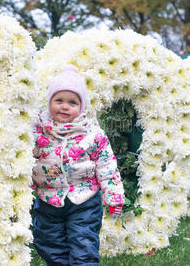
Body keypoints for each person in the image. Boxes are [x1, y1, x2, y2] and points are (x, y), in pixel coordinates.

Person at [32, 65, 125, 266]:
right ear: (49, 102)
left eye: (72, 102)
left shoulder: (92, 133)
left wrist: (114, 196)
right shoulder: (38, 132)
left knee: (83, 247)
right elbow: (26, 160)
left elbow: (107, 165)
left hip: (84, 201)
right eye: (59, 100)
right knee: (48, 244)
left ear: (81, 106)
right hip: (49, 199)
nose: (65, 106)